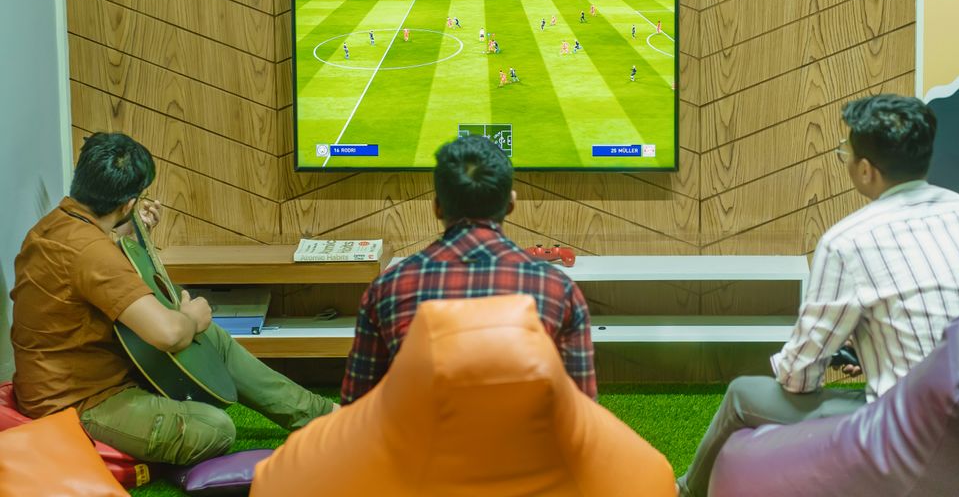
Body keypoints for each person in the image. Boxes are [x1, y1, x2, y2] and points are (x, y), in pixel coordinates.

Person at [676, 94, 959, 497]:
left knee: (741, 395)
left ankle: (683, 492)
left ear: (866, 170)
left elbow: (798, 377)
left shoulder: (848, 241)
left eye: (845, 153)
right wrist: (873, 351)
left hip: (907, 434)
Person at [10, 133, 336, 466]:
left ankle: (319, 414)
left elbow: (97, 279)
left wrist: (131, 235)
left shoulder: (54, 226)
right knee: (216, 427)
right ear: (127, 204)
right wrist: (192, 317)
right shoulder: (90, 252)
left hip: (81, 376)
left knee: (212, 339)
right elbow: (166, 333)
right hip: (80, 404)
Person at [340, 136, 597, 404]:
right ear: (511, 204)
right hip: (520, 444)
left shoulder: (388, 287)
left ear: (437, 206)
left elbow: (355, 407)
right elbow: (583, 413)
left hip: (419, 443)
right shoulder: (559, 289)